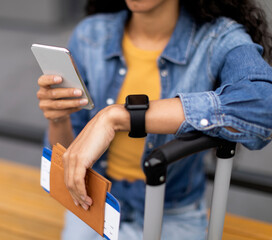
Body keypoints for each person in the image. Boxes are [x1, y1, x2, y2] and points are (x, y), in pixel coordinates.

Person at [36, 0, 272, 239]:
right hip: (93, 202)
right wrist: (58, 119)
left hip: (171, 212)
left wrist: (118, 116)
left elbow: (263, 106)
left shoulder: (217, 39)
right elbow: (66, 157)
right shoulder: (90, 34)